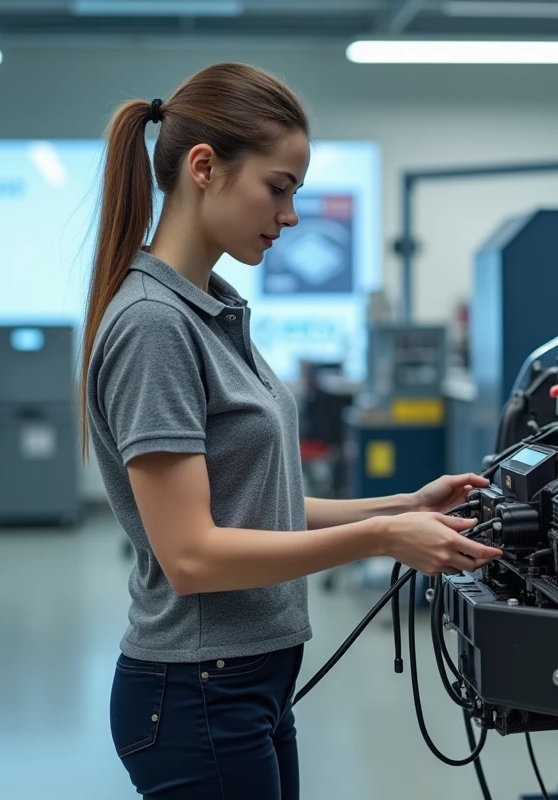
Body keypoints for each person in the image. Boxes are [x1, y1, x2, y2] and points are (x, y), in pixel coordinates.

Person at [80, 62, 505, 800]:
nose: (291, 216)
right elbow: (192, 555)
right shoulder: (155, 325)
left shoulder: (210, 308)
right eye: (278, 189)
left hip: (248, 681)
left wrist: (402, 507)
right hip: (197, 690)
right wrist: (379, 541)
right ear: (204, 168)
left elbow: (252, 508)